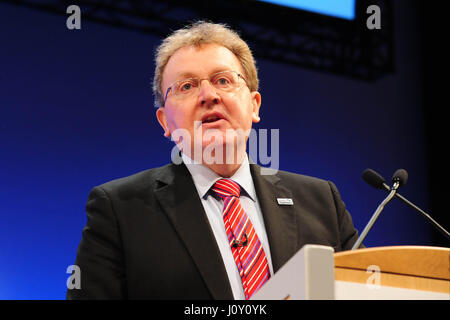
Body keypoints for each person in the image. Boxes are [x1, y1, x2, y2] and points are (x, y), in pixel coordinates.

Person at [67, 21, 360, 300]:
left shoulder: (322, 202)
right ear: (164, 121)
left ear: (254, 105)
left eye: (223, 80)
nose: (208, 95)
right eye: (186, 86)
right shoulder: (119, 209)